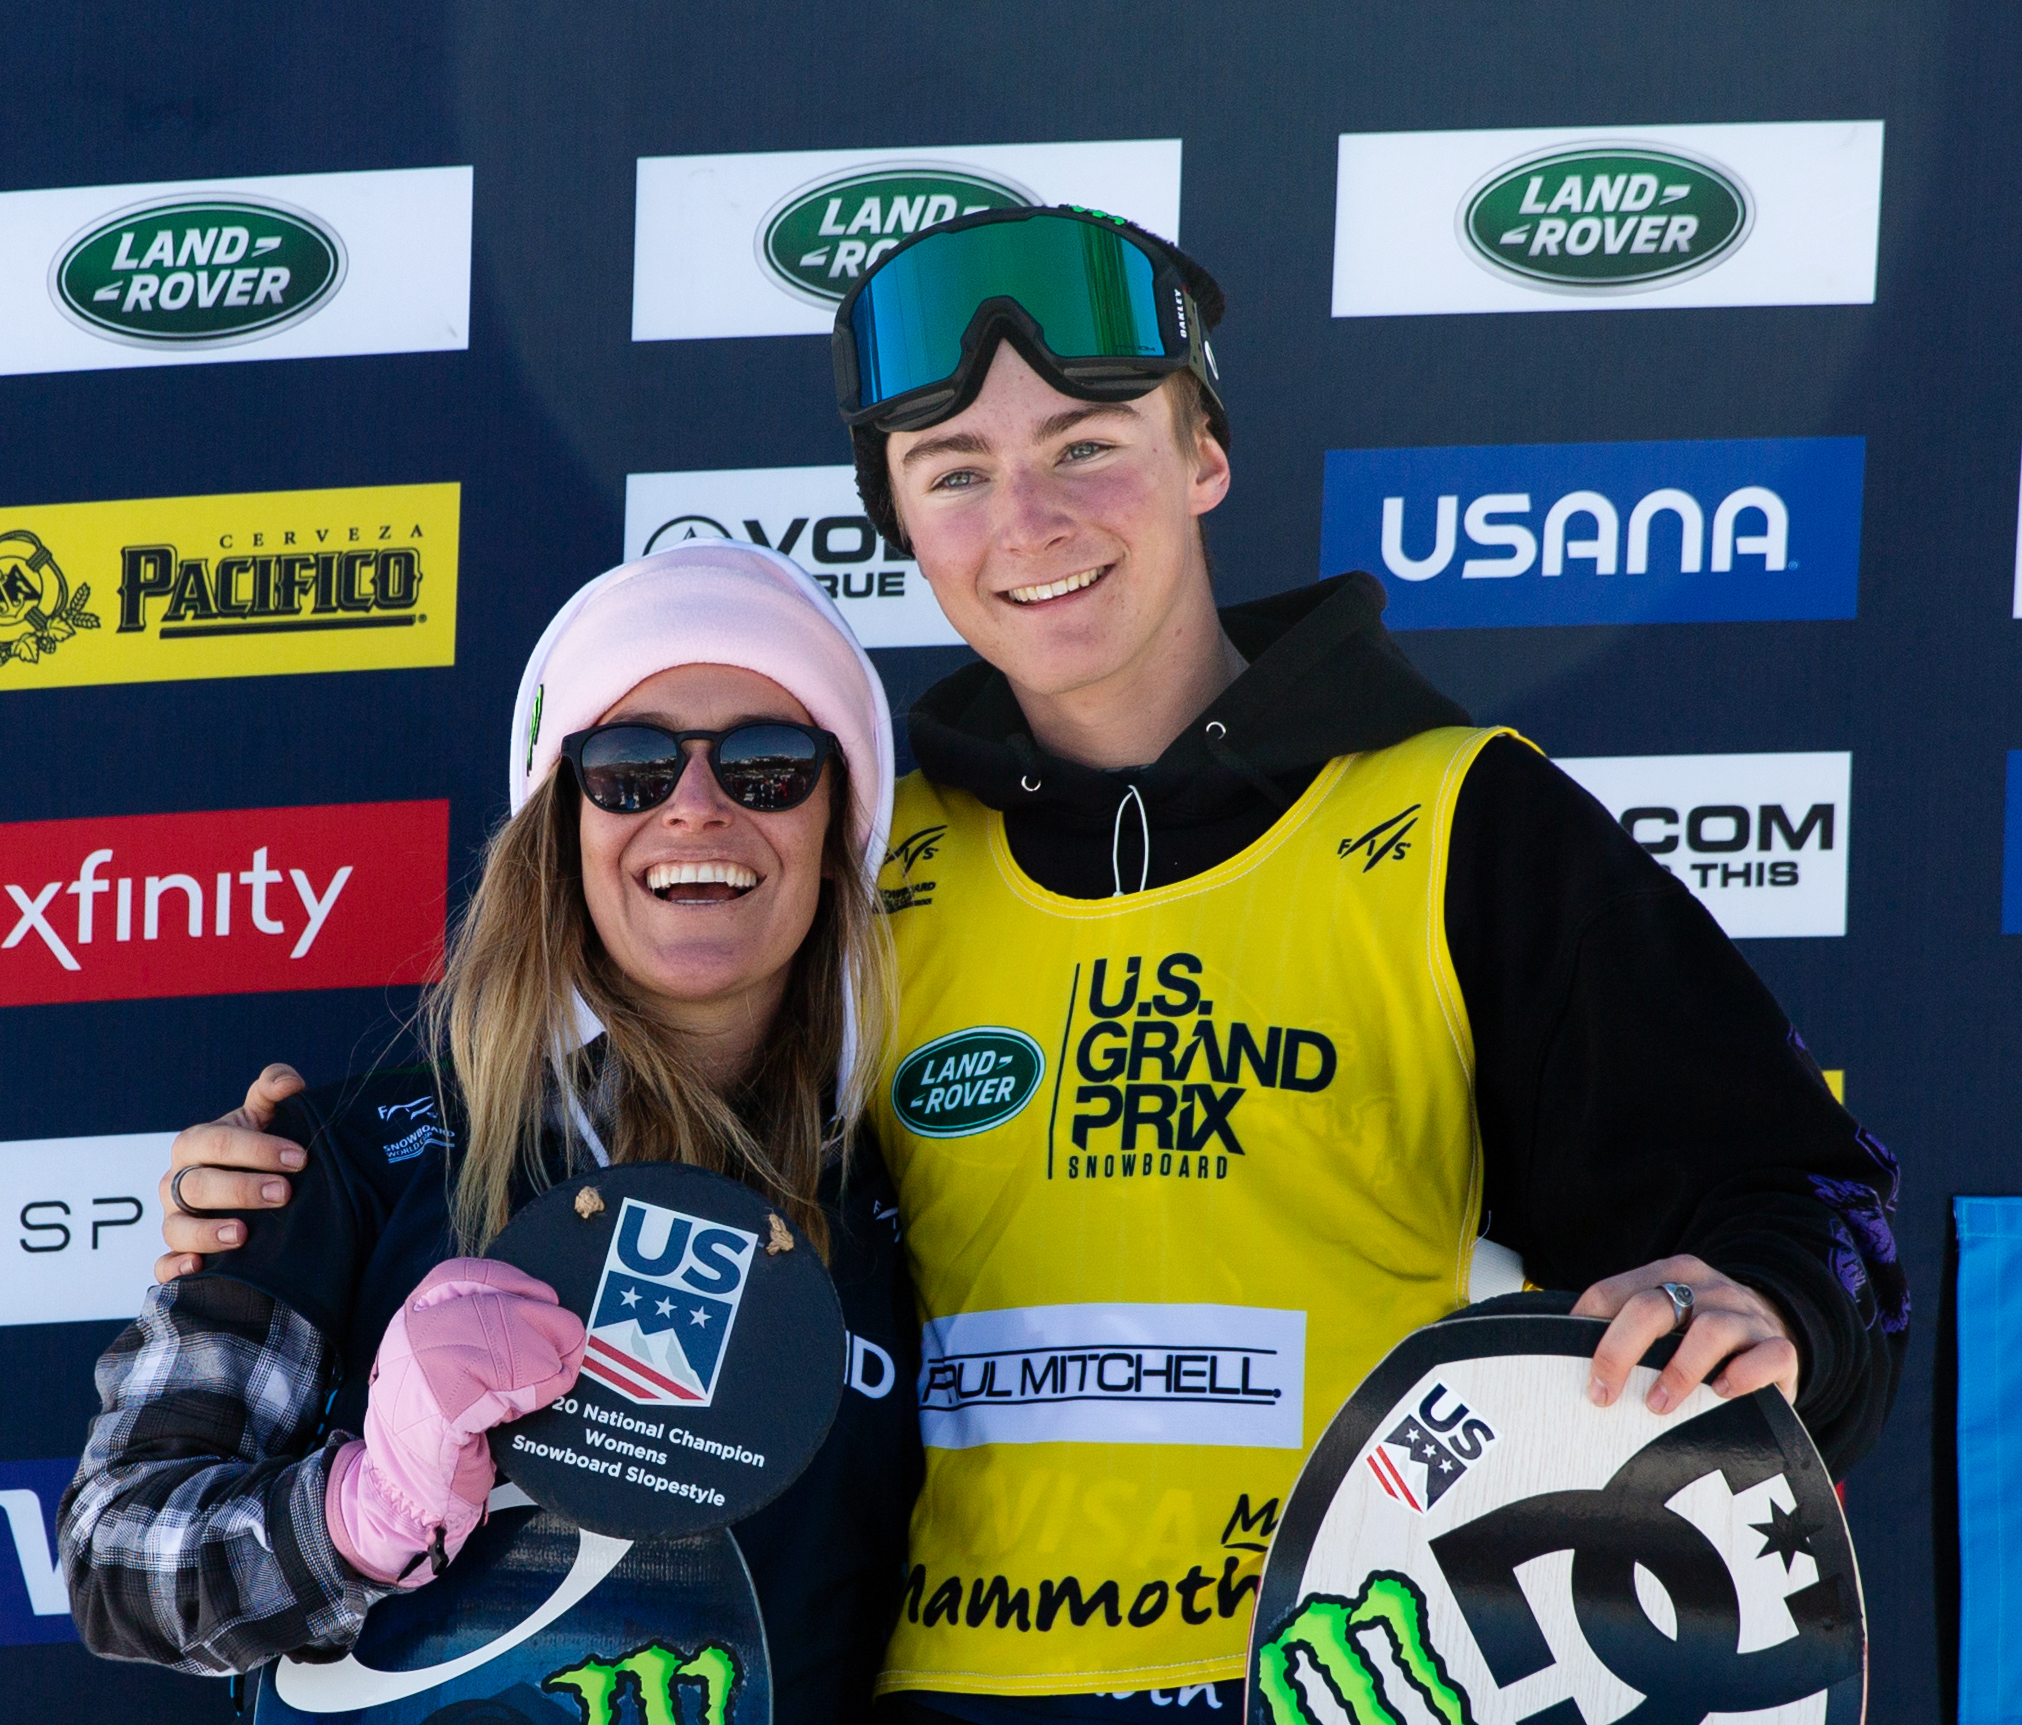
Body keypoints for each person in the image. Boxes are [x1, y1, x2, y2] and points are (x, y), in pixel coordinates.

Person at [154, 208, 1907, 1721]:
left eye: (1086, 444)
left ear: (1202, 457)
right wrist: (287, 1208)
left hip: (1333, 1672)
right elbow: (616, 1129)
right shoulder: (861, 863)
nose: (1029, 518)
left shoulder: (1459, 821)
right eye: (956, 475)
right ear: (902, 527)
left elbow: (1792, 1200)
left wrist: (1774, 1307)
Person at [60, 543, 921, 1725]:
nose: (696, 805)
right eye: (629, 766)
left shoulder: (909, 1194)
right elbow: (116, 1560)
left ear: (841, 824)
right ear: (560, 822)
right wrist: (363, 1510)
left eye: (770, 765)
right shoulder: (351, 1159)